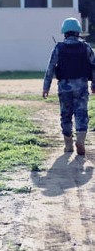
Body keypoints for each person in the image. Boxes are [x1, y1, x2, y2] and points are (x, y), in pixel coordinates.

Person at [43, 17, 95, 155]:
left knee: (66, 115)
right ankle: (81, 141)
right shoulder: (86, 47)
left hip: (64, 87)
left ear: (64, 32)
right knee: (81, 113)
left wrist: (46, 87)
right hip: (82, 86)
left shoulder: (59, 47)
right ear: (78, 32)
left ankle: (68, 145)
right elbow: (94, 66)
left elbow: (50, 67)